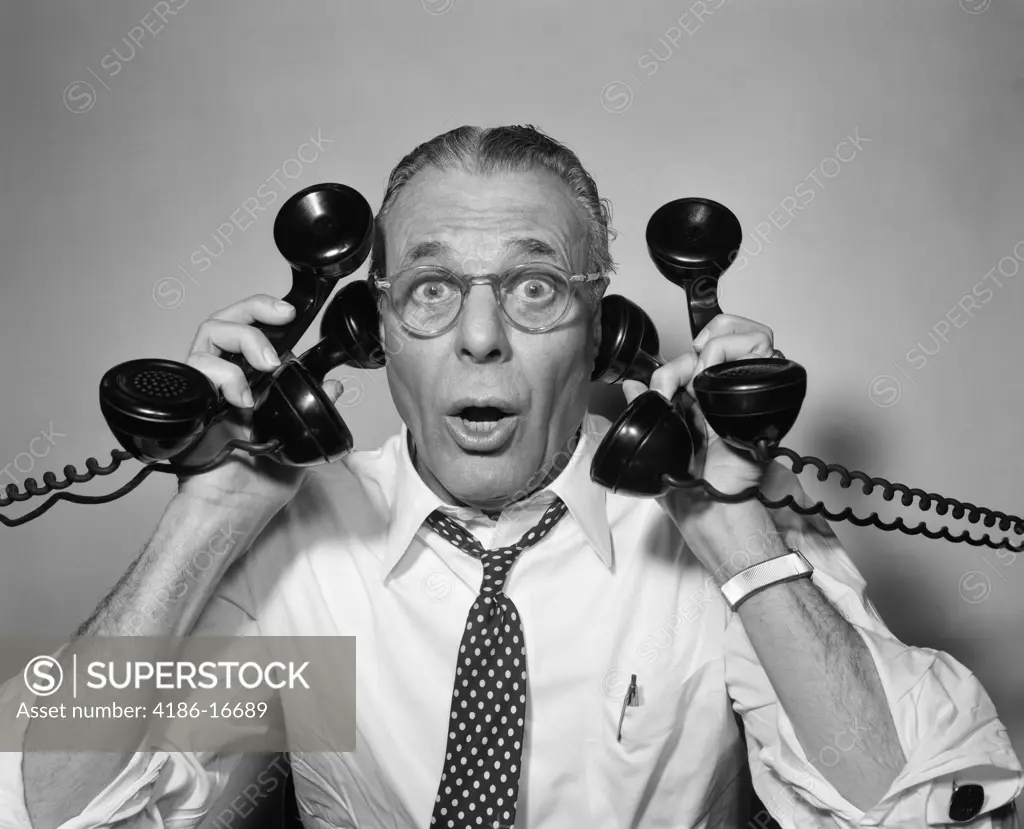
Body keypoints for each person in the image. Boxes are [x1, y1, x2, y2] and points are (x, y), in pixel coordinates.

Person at [3, 125, 1022, 829]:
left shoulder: (710, 530)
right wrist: (208, 514)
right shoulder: (304, 555)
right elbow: (39, 804)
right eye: (433, 290)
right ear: (376, 334)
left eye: (534, 288)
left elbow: (919, 806)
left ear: (601, 332)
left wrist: (732, 527)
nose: (481, 336)